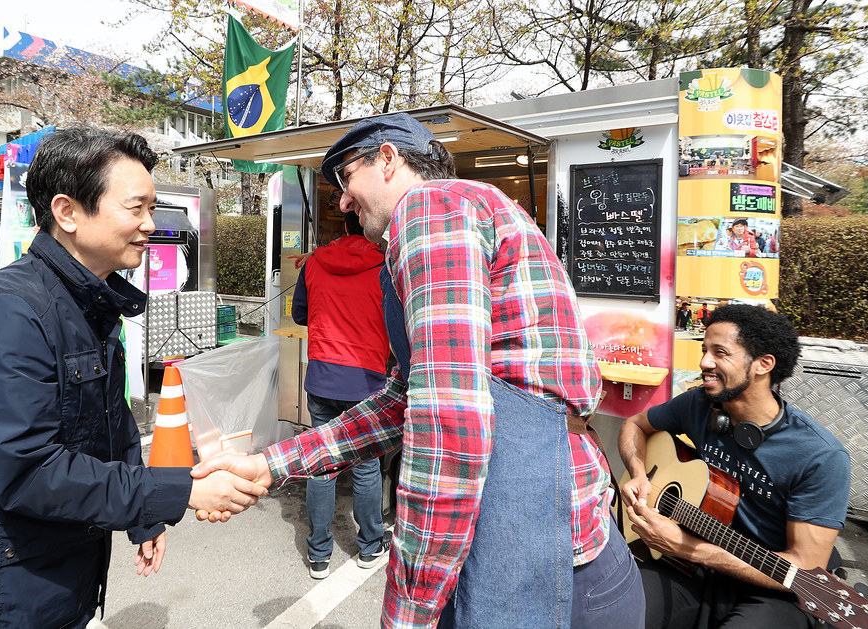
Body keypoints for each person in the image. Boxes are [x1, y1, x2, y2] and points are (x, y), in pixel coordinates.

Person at [194, 113, 644, 628]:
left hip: (541, 562)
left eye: (345, 178)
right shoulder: (469, 212)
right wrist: (271, 464)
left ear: (388, 159)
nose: (341, 200)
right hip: (570, 548)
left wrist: (409, 610)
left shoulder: (431, 207)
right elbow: (410, 401)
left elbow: (448, 428)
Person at [0, 127, 267, 628]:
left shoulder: (88, 303)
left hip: (49, 583)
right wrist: (179, 490)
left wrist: (143, 515)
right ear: (67, 212)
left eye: (151, 209)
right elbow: (29, 472)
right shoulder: (6, 313)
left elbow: (109, 430)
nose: (149, 225)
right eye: (136, 209)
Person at [617, 304, 851, 629]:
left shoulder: (819, 456)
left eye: (720, 353)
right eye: (704, 350)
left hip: (773, 586)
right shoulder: (701, 403)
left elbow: (805, 568)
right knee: (615, 613)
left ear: (763, 364)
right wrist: (640, 472)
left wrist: (689, 548)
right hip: (690, 562)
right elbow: (635, 425)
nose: (703, 363)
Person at [291, 210, 391, 580]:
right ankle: (369, 546)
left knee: (323, 465)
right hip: (365, 381)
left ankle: (319, 555)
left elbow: (300, 314)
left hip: (321, 378)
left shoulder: (314, 263)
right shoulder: (384, 267)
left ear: (341, 230)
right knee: (366, 467)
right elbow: (397, 324)